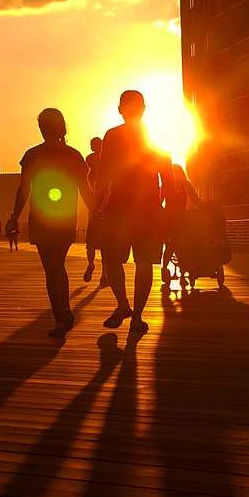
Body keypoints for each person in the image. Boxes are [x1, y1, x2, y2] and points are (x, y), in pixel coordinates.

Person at [11, 107, 96, 337]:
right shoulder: (74, 155)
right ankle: (64, 310)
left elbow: (24, 190)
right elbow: (85, 189)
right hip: (66, 218)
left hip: (41, 218)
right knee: (59, 265)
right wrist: (97, 213)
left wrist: (13, 217)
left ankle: (61, 316)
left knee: (52, 269)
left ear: (43, 129)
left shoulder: (32, 155)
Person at [95, 89, 173, 334]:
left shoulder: (113, 137)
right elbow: (168, 182)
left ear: (120, 110)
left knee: (112, 259)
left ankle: (123, 306)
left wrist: (96, 205)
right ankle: (136, 315)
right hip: (149, 212)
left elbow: (103, 174)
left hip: (120, 210)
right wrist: (167, 211)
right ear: (144, 108)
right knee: (144, 264)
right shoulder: (157, 144)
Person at [82, 136, 108, 287]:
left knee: (91, 243)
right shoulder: (106, 163)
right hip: (103, 208)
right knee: (105, 243)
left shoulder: (89, 166)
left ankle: (91, 264)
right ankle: (104, 274)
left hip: (93, 207)